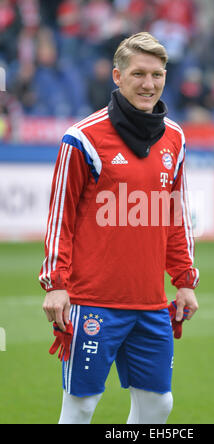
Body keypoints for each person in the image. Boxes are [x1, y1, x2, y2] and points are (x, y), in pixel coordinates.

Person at [39, 32, 199, 425]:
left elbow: (174, 215)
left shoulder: (174, 137)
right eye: (139, 74)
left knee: (158, 404)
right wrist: (56, 283)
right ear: (117, 75)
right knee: (82, 404)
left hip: (150, 302)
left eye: (158, 75)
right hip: (93, 301)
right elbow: (59, 217)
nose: (149, 84)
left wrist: (184, 279)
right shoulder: (83, 138)